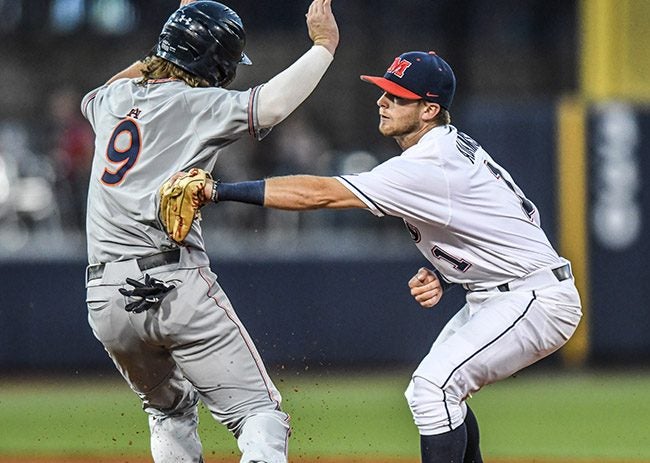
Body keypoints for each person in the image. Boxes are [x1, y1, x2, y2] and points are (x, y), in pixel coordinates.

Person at [177, 50, 583, 462]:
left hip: (533, 300)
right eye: (384, 90)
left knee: (434, 389)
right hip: (503, 291)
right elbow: (499, 223)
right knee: (437, 392)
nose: (382, 100)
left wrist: (219, 190)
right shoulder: (445, 147)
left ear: (429, 109)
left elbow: (320, 195)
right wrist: (448, 270)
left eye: (397, 95)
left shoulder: (430, 163)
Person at [80, 0, 338, 462]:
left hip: (105, 298)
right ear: (218, 64)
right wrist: (324, 47)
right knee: (258, 413)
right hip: (173, 284)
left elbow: (110, 86)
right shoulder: (203, 104)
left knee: (169, 411)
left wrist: (171, 39)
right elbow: (272, 106)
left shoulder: (111, 101)